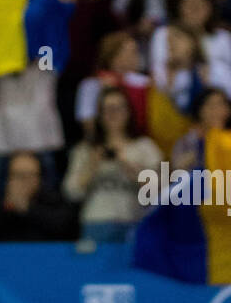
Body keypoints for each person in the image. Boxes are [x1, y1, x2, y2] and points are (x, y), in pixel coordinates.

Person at [63, 85, 162, 243]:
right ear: (99, 114)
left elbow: (159, 191)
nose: (113, 114)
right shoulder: (85, 150)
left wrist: (128, 166)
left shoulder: (145, 147)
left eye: (119, 108)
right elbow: (71, 192)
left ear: (128, 111)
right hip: (96, 222)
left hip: (134, 220)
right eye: (108, 109)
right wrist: (92, 166)